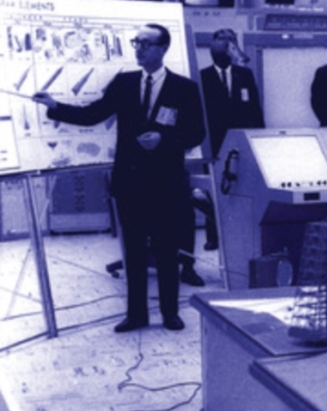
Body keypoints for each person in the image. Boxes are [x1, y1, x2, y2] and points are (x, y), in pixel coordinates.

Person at [33, 23, 206, 333]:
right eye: (136, 42)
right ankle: (136, 315)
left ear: (163, 48)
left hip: (166, 183)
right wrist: (55, 107)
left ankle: (170, 313)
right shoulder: (124, 83)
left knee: (167, 251)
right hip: (130, 182)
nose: (139, 48)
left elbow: (196, 133)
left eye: (146, 43)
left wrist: (164, 139)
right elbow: (93, 114)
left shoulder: (185, 88)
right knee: (134, 252)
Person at [196, 28, 265, 250]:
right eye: (222, 42)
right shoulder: (201, 77)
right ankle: (213, 236)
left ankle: (239, 232)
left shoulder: (245, 75)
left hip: (241, 143)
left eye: (230, 42)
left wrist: (260, 139)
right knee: (214, 191)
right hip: (214, 143)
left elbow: (255, 109)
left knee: (241, 188)